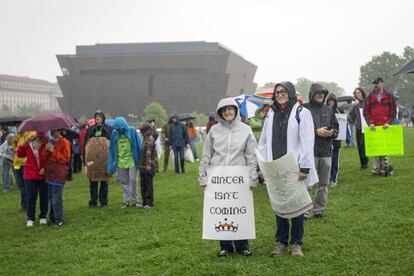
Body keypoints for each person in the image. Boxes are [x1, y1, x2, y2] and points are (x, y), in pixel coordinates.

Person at [258, 81, 317, 257]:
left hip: (294, 166)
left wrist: (304, 167)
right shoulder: (270, 114)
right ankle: (281, 242)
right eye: (277, 92)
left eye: (283, 91)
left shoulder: (301, 112)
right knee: (280, 203)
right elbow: (264, 141)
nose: (280, 94)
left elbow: (307, 141)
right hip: (275, 166)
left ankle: (296, 243)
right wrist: (262, 165)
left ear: (290, 93)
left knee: (297, 206)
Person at [199, 97, 258, 257]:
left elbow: (251, 155)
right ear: (220, 113)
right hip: (217, 177)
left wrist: (252, 178)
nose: (227, 112)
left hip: (239, 177)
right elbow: (206, 155)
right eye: (224, 110)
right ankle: (225, 246)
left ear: (236, 110)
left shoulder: (246, 129)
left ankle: (242, 245)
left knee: (238, 210)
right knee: (222, 211)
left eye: (230, 109)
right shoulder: (214, 130)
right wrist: (203, 178)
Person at [304, 83, 339, 219]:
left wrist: (332, 133)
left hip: (326, 152)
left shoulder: (329, 110)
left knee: (323, 183)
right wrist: (315, 132)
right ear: (312, 93)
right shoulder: (304, 109)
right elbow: (299, 130)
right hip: (309, 152)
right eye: (318, 92)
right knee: (307, 183)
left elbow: (336, 129)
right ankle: (305, 211)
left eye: (323, 93)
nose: (320, 95)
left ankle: (319, 210)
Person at [364, 77, 396, 176]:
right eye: (374, 83)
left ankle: (384, 168)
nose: (375, 85)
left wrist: (389, 122)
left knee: (385, 148)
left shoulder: (389, 96)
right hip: (374, 127)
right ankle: (376, 168)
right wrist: (370, 123)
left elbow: (393, 112)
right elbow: (366, 112)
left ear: (382, 83)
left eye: (377, 83)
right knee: (375, 148)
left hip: (385, 126)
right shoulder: (370, 97)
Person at [108, 117, 143, 208]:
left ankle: (135, 201)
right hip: (120, 162)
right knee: (124, 182)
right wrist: (112, 163)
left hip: (132, 160)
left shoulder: (132, 131)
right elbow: (111, 148)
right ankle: (126, 201)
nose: (120, 130)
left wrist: (140, 158)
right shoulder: (114, 134)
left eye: (121, 128)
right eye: (118, 129)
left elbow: (139, 143)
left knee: (133, 180)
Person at [17, 132, 49, 227]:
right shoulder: (29, 142)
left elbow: (50, 158)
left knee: (44, 196)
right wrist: (22, 146)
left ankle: (43, 216)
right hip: (30, 174)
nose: (41, 137)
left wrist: (45, 168)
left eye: (43, 135)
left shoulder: (48, 142)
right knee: (31, 197)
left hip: (43, 174)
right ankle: (30, 218)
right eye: (40, 135)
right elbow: (20, 154)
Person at [83, 110, 112, 208]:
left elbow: (111, 142)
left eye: (99, 116)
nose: (97, 118)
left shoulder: (108, 129)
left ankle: (104, 202)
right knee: (93, 180)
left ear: (103, 118)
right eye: (96, 116)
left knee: (104, 180)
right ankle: (93, 201)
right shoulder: (91, 129)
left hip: (104, 158)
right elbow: (86, 143)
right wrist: (85, 157)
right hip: (93, 158)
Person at [44, 129, 71, 226]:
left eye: (54, 131)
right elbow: (46, 157)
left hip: (59, 173)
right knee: (51, 197)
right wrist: (46, 151)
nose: (51, 132)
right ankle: (52, 217)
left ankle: (59, 219)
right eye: (51, 130)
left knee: (56, 198)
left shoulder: (65, 142)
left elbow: (65, 158)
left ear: (59, 131)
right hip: (50, 173)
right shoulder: (51, 141)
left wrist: (53, 151)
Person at [12, 128, 35, 211]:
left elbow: (29, 147)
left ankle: (27, 205)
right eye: (16, 126)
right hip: (17, 163)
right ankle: (24, 204)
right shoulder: (18, 135)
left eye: (19, 125)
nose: (18, 127)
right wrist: (14, 141)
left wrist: (23, 143)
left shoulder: (31, 133)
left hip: (26, 163)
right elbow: (15, 149)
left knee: (27, 185)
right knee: (20, 185)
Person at [326, 93, 344, 187]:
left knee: (335, 160)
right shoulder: (324, 110)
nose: (331, 102)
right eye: (330, 100)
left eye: (333, 101)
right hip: (326, 140)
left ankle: (334, 179)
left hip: (337, 140)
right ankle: (327, 178)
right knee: (327, 161)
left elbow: (344, 122)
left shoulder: (339, 110)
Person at [348, 87, 369, 169]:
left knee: (363, 144)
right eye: (356, 93)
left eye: (359, 92)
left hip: (366, 126)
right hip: (358, 127)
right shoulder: (355, 103)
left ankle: (366, 161)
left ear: (362, 93)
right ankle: (362, 163)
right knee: (359, 146)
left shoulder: (367, 102)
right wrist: (354, 106)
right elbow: (351, 115)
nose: (357, 94)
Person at [139, 123, 158, 209]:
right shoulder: (145, 139)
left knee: (148, 186)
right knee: (143, 185)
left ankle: (149, 203)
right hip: (144, 167)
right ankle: (145, 203)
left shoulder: (149, 140)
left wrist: (147, 168)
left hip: (148, 167)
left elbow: (148, 155)